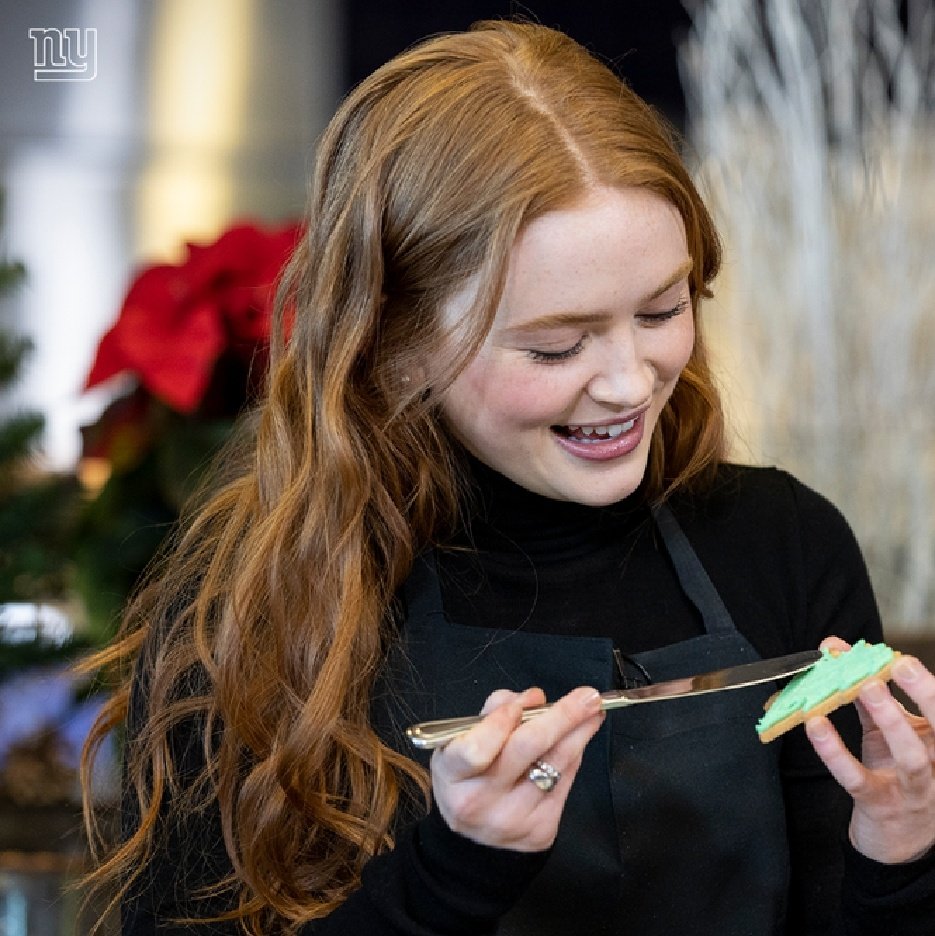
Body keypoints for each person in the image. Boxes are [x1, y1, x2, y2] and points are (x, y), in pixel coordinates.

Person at [80, 19, 935, 936]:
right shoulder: (243, 617)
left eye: (661, 309)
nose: (626, 381)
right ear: (395, 347)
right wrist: (452, 874)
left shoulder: (782, 545)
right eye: (554, 345)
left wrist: (898, 850)